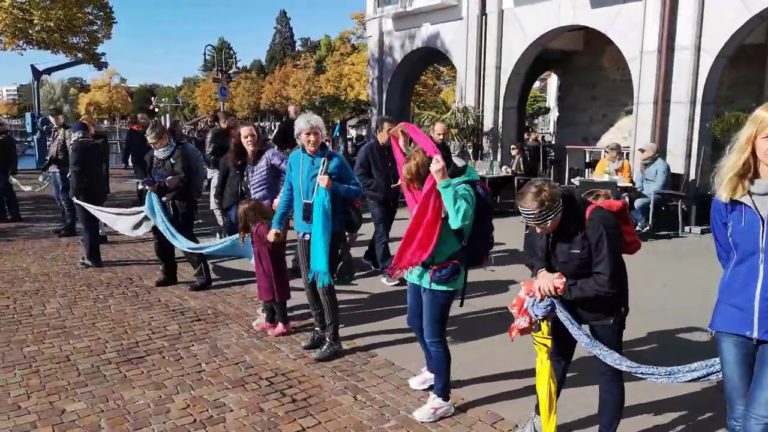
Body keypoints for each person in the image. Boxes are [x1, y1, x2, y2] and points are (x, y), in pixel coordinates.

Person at [518, 178, 628, 432]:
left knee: (609, 371)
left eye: (542, 225)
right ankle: (540, 419)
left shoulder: (597, 221)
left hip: (603, 305)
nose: (538, 231)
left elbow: (607, 281)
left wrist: (562, 287)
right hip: (563, 303)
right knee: (555, 361)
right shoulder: (537, 220)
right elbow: (531, 250)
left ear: (555, 213)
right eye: (532, 225)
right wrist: (541, 272)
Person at [267, 112, 363, 362]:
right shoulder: (294, 159)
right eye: (307, 134)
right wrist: (277, 224)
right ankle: (319, 329)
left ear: (323, 135)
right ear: (299, 137)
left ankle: (333, 339)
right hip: (303, 230)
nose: (312, 138)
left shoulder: (335, 160)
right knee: (308, 284)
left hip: (329, 232)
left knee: (323, 284)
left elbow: (357, 190)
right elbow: (288, 193)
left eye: (316, 133)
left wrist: (333, 186)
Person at [396, 146, 477, 423]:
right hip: (419, 269)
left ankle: (442, 398)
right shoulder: (425, 187)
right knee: (414, 322)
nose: (416, 188)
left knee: (434, 336)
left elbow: (461, 219)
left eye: (418, 182)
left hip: (443, 272)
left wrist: (443, 183)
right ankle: (432, 370)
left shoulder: (461, 187)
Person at [709, 103, 768, 432]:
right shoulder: (728, 198)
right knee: (737, 418)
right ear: (753, 141)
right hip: (733, 320)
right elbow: (727, 256)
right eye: (767, 137)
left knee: (758, 421)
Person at [139, 121, 212, 291]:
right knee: (160, 240)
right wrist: (145, 187)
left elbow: (181, 178)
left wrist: (161, 186)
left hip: (180, 203)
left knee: (185, 239)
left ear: (165, 137)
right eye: (150, 143)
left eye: (155, 142)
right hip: (159, 204)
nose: (153, 146)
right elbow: (146, 174)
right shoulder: (151, 156)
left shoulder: (179, 153)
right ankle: (168, 273)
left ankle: (203, 277)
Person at [354, 116, 402, 286]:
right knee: (382, 232)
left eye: (394, 131)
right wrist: (376, 186)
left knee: (383, 231)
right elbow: (359, 174)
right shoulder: (367, 150)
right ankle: (387, 269)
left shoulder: (394, 148)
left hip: (392, 197)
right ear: (378, 132)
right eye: (389, 131)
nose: (392, 135)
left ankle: (370, 256)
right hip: (375, 198)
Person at [216, 124, 287, 235]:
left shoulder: (270, 154)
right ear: (240, 140)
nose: (250, 139)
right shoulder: (240, 159)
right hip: (251, 214)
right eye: (246, 137)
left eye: (253, 135)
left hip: (271, 213)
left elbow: (292, 172)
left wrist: (281, 196)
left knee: (270, 244)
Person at [238, 200, 291, 337]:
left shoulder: (262, 227)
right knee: (267, 294)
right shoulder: (257, 227)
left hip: (271, 268)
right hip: (264, 267)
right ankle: (270, 320)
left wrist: (276, 236)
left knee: (276, 295)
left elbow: (273, 240)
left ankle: (283, 323)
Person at [69, 121, 108, 268]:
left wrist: (73, 192)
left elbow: (76, 171)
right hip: (97, 189)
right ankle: (94, 255)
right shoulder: (96, 145)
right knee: (93, 224)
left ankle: (92, 258)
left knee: (87, 226)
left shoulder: (76, 147)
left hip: (84, 191)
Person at [41, 109, 77, 237]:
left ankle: (70, 226)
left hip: (63, 168)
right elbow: (53, 150)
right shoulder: (53, 130)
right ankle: (64, 223)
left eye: (56, 117)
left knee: (65, 197)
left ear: (62, 117)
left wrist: (71, 169)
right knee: (58, 198)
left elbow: (71, 151)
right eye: (52, 117)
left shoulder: (67, 131)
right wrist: (48, 163)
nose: (54, 119)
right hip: (55, 168)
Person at [206, 111, 238, 237]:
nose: (234, 121)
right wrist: (224, 163)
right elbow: (209, 155)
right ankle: (223, 225)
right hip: (218, 169)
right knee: (217, 198)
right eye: (232, 119)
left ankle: (227, 226)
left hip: (230, 168)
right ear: (224, 122)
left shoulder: (230, 133)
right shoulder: (215, 134)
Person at [630, 142, 670, 232]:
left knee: (638, 202)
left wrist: (643, 193)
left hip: (657, 195)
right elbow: (639, 181)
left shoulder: (662, 165)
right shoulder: (644, 164)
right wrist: (638, 189)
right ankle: (638, 222)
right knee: (625, 199)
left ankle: (644, 222)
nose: (641, 154)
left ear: (652, 153)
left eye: (643, 151)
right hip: (644, 193)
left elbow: (660, 185)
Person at [0, 120, 21, 223]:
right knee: (6, 194)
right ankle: (6, 214)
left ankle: (13, 214)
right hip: (4, 170)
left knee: (8, 193)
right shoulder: (7, 139)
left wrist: (12, 170)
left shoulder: (6, 139)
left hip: (4, 170)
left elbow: (13, 156)